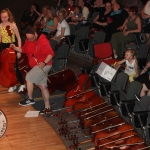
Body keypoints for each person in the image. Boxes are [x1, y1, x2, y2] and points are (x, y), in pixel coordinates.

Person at [10, 25, 54, 114]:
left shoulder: (42, 40)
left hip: (44, 65)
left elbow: (51, 53)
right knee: (42, 86)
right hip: (37, 66)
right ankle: (47, 107)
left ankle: (30, 99)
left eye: (30, 38)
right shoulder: (28, 40)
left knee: (29, 77)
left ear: (35, 34)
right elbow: (24, 50)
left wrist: (44, 62)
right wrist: (15, 48)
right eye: (27, 38)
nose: (29, 40)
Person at [0, 8, 25, 93]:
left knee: (15, 67)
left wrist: (19, 50)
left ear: (8, 16)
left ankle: (22, 84)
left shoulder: (12, 25)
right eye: (2, 17)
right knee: (6, 67)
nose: (4, 19)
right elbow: (0, 38)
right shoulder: (0, 26)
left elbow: (18, 38)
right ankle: (12, 84)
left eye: (5, 17)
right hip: (4, 47)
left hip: (12, 46)